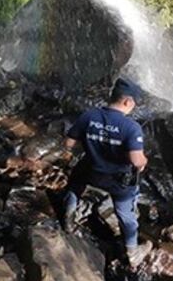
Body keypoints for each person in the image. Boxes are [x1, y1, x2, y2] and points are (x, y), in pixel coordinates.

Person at [63, 78, 152, 266]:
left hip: (91, 170)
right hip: (118, 180)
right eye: (134, 103)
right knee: (125, 213)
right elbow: (136, 161)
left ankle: (68, 221)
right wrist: (144, 161)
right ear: (127, 101)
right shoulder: (131, 127)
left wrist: (92, 147)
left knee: (74, 184)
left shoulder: (89, 116)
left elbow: (69, 143)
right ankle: (132, 253)